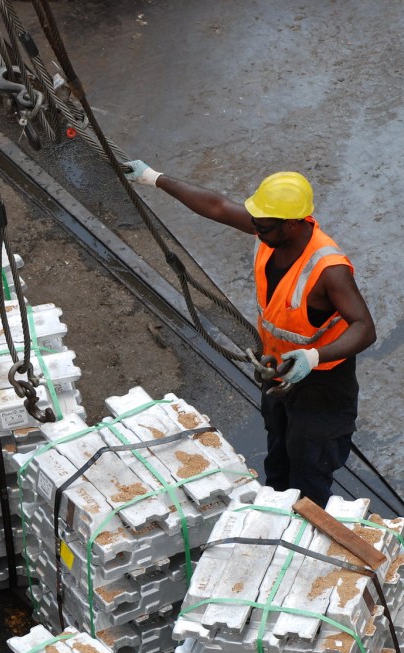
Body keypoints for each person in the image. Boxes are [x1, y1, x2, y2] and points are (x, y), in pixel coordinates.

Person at [124, 162, 376, 506]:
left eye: (262, 224)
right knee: (279, 459)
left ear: (291, 224)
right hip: (278, 372)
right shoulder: (270, 230)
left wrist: (313, 357)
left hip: (322, 388)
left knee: (310, 473)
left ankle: (305, 533)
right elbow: (217, 206)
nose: (253, 228)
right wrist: (153, 178)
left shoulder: (329, 270)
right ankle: (273, 513)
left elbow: (364, 327)